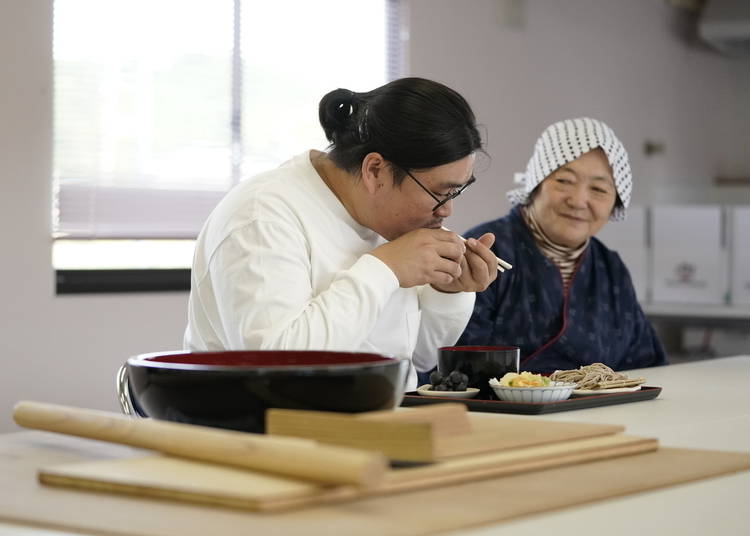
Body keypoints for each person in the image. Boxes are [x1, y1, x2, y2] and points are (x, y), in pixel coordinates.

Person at [184, 77, 499, 390]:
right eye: (440, 193)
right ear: (375, 171)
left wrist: (448, 292)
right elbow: (277, 365)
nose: (447, 211)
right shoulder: (261, 214)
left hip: (379, 422)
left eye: (456, 193)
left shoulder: (385, 220)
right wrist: (384, 269)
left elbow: (415, 360)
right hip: (263, 430)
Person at [457, 117, 667, 373]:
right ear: (535, 183)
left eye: (599, 189)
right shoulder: (484, 251)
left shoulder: (611, 268)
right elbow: (451, 370)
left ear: (615, 202)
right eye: (564, 181)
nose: (579, 201)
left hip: (599, 413)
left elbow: (647, 367)